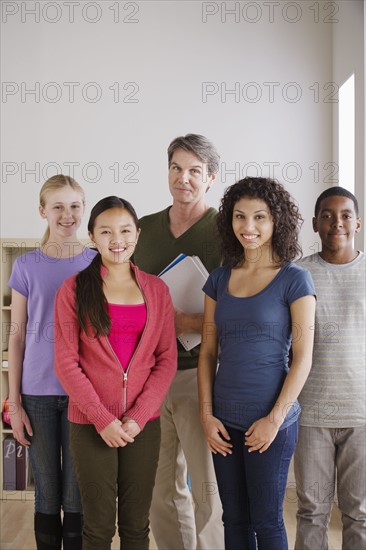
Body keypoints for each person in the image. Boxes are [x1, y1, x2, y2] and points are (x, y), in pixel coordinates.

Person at [198, 176, 317, 550]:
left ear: (276, 221)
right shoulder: (218, 279)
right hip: (224, 422)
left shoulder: (295, 279)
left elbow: (303, 357)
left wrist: (274, 419)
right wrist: (206, 414)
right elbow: (207, 352)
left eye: (260, 217)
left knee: (265, 520)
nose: (248, 228)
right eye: (239, 217)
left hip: (271, 422)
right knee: (233, 518)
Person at [53, 196, 177, 550]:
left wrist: (138, 416)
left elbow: (166, 358)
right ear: (92, 236)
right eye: (105, 231)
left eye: (124, 230)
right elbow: (66, 363)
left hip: (143, 425)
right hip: (91, 425)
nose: (116, 239)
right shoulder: (74, 289)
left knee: (137, 526)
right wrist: (101, 419)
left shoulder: (157, 290)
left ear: (137, 235)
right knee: (98, 526)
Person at [134, 134, 224, 549]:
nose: (182, 178)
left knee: (208, 491)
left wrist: (188, 320)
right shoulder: (143, 229)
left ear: (210, 178)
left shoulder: (228, 230)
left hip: (200, 376)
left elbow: (246, 306)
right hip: (148, 378)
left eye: (193, 171)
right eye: (176, 168)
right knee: (159, 490)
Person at [8, 174, 96, 550]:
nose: (67, 214)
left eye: (74, 205)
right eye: (57, 206)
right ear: (43, 211)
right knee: (46, 491)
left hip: (84, 392)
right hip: (37, 394)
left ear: (83, 209)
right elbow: (16, 336)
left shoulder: (98, 262)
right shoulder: (26, 265)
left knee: (76, 494)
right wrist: (14, 402)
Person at [294, 186, 365, 550]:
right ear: (315, 224)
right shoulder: (298, 274)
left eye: (345, 215)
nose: (337, 222)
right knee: (311, 511)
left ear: (358, 222)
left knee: (360, 513)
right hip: (311, 414)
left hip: (361, 414)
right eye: (327, 215)